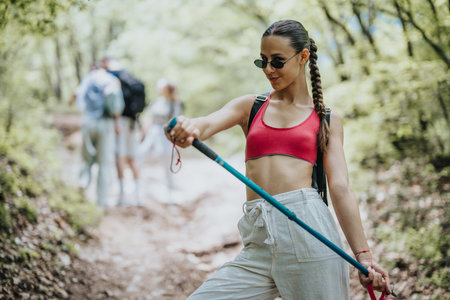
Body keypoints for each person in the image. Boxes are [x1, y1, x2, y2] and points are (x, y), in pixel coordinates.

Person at [165, 20, 391, 299]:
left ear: (303, 57)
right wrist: (186, 128)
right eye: (263, 61)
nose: (269, 69)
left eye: (277, 61)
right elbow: (205, 124)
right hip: (259, 242)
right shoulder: (251, 106)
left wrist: (364, 255)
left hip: (309, 236)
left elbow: (341, 188)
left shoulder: (327, 119)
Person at [75, 63, 124, 210]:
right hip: (105, 123)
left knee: (86, 160)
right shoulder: (111, 80)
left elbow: (79, 98)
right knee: (104, 164)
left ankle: (81, 196)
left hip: (87, 122)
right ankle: (100, 203)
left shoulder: (88, 79)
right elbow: (116, 107)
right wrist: (116, 123)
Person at [102, 57, 143, 206]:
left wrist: (116, 122)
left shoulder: (112, 78)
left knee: (120, 158)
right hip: (133, 122)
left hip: (120, 122)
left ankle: (122, 196)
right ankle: (138, 196)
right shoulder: (131, 79)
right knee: (131, 158)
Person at [141, 78, 183, 197]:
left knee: (167, 160)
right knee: (142, 155)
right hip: (153, 132)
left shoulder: (174, 103)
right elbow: (150, 118)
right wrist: (144, 131)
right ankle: (140, 187)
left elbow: (176, 119)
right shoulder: (157, 101)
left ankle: (170, 191)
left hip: (166, 133)